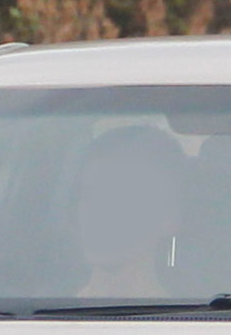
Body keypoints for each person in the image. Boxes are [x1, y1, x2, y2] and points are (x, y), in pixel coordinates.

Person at [71, 125, 189, 298]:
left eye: (120, 198)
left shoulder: (191, 322)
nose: (98, 213)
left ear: (169, 218)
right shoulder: (36, 317)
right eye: (90, 195)